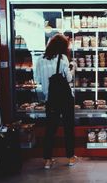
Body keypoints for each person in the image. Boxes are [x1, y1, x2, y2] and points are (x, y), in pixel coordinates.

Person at [34, 34, 77, 169]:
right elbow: (69, 79)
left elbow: (38, 79)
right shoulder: (62, 58)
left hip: (51, 98)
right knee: (68, 127)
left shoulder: (40, 59)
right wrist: (73, 67)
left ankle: (47, 160)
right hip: (65, 98)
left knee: (50, 129)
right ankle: (70, 158)